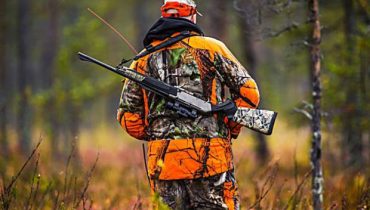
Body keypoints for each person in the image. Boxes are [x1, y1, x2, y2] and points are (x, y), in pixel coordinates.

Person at [117, 0, 260, 209]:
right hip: (211, 161)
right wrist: (228, 126)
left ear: (165, 14)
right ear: (191, 14)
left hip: (164, 165)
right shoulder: (213, 48)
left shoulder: (142, 59)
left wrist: (159, 133)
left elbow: (128, 118)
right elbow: (249, 93)